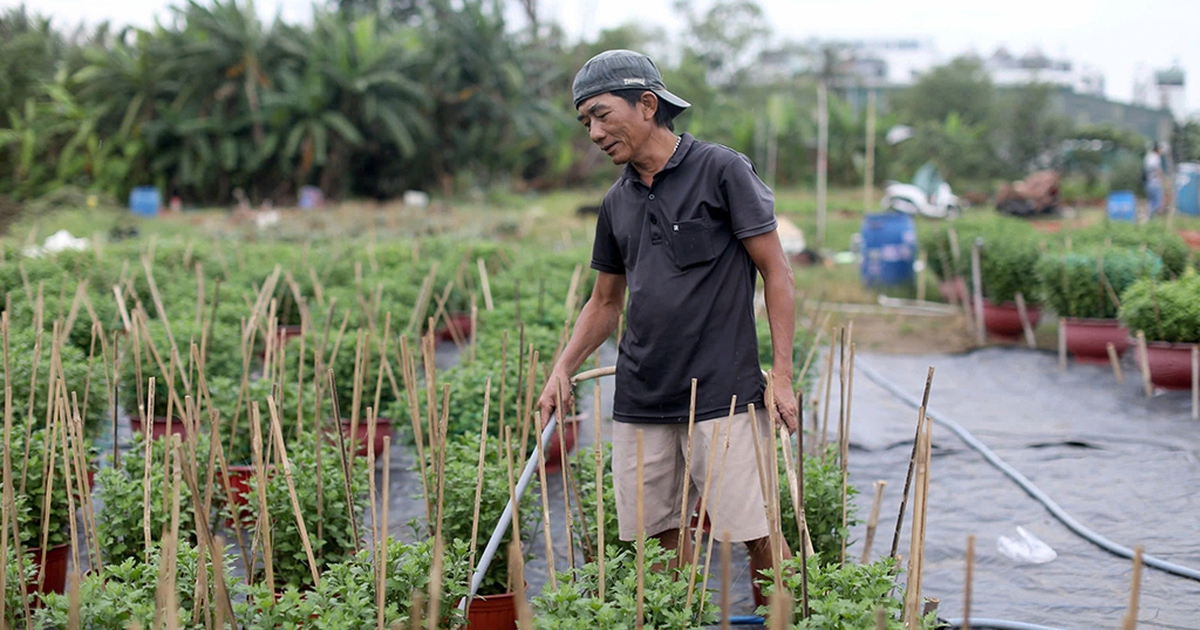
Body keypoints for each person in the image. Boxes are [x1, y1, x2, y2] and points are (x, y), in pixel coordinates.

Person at [536, 49, 798, 603]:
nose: (594, 133)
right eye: (585, 122)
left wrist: (782, 374)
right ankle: (669, 618)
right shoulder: (616, 203)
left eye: (603, 115)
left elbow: (776, 272)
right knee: (656, 537)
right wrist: (562, 367)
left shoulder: (721, 170)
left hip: (722, 391)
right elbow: (604, 302)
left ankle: (791, 616)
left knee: (754, 529)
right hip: (641, 392)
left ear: (648, 104)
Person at [1144, 142, 1164, 215]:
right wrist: (1163, 180)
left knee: (1151, 202)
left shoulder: (1148, 157)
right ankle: (1154, 219)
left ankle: (1150, 218)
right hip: (1154, 182)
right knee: (1157, 203)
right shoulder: (1155, 157)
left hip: (1148, 182)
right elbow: (1157, 170)